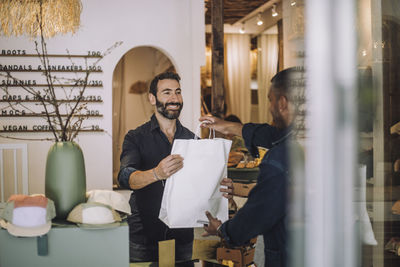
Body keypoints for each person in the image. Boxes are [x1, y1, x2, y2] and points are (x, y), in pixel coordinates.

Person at [118, 71, 233, 264]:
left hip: (183, 238)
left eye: (178, 92)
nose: (174, 98)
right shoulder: (135, 137)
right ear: (152, 98)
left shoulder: (193, 140)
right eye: (167, 92)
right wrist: (157, 173)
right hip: (144, 237)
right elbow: (125, 177)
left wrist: (222, 191)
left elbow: (203, 188)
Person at [199, 68, 301, 267]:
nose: (270, 106)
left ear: (282, 103)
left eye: (270, 99)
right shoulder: (311, 142)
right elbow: (267, 133)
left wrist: (222, 230)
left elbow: (256, 215)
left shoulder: (279, 158)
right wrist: (226, 126)